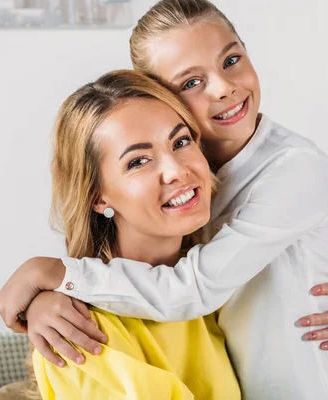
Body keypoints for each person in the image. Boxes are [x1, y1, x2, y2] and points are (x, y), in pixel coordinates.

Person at [0, 0, 328, 398]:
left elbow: (192, 289)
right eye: (191, 82)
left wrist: (52, 273)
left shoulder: (292, 168)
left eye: (231, 59)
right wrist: (50, 296)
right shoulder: (193, 179)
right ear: (162, 98)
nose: (223, 87)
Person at [29, 69, 241, 399]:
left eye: (180, 141)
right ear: (98, 197)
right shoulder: (78, 330)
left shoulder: (220, 280)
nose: (177, 171)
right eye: (138, 161)